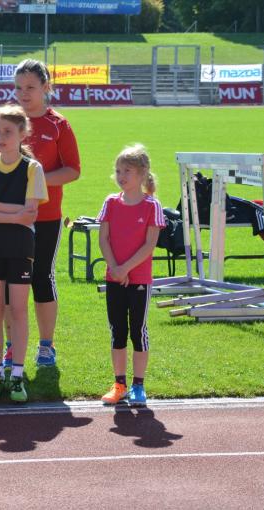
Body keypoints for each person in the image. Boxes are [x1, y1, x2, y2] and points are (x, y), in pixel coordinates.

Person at [0, 58, 80, 369]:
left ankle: (46, 346)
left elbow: (72, 170)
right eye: (18, 87)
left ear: (45, 87)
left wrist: (35, 180)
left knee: (41, 278)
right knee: (10, 283)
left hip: (46, 216)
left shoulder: (58, 125)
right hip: (10, 219)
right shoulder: (5, 122)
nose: (23, 93)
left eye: (30, 87)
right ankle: (11, 347)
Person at [0, 105, 48, 403]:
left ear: (22, 134)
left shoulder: (32, 169)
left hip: (20, 246)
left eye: (7, 131)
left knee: (18, 310)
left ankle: (17, 376)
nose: (1, 137)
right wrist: (14, 213)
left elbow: (31, 214)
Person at [97, 144, 165, 407]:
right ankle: (119, 384)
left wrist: (125, 268)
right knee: (117, 331)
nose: (121, 176)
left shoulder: (151, 206)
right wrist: (115, 268)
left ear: (142, 173)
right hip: (114, 278)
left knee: (138, 330)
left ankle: (138, 384)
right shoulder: (110, 202)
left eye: (127, 171)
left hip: (138, 280)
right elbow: (103, 239)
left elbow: (149, 245)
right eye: (118, 171)